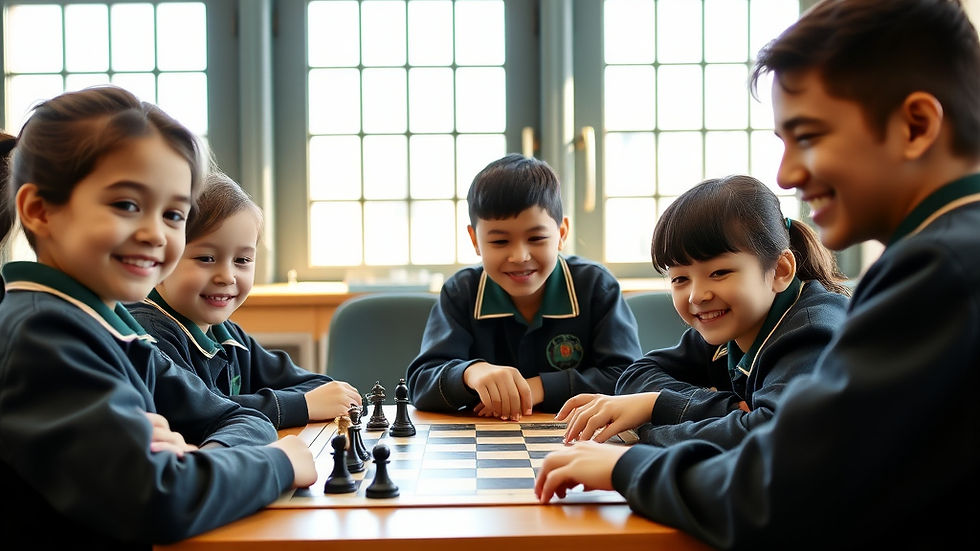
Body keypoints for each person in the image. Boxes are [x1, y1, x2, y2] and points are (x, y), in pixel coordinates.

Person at [535, 0, 980, 548]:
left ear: (916, 125)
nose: (786, 173)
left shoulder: (940, 270)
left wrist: (625, 468)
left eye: (809, 137)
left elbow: (778, 490)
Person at [0, 86, 316, 549]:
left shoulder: (112, 328)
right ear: (39, 210)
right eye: (127, 205)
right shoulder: (42, 335)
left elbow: (237, 417)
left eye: (173, 214)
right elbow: (157, 499)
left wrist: (198, 457)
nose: (154, 233)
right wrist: (280, 464)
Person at [559, 175, 849, 450]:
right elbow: (636, 374)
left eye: (719, 272)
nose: (698, 295)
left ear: (780, 271)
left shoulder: (811, 332)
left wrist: (654, 413)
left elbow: (775, 437)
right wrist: (725, 409)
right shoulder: (736, 327)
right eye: (680, 279)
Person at [407, 153, 642, 420]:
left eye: (537, 238)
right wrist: (470, 373)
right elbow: (420, 383)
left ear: (562, 234)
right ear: (475, 240)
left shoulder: (596, 286)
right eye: (499, 242)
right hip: (486, 446)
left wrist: (537, 388)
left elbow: (628, 379)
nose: (519, 256)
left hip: (579, 446)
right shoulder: (462, 292)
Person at [127, 171, 362, 429]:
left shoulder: (227, 335)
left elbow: (320, 387)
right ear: (162, 256)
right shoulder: (147, 334)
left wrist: (311, 399)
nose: (227, 276)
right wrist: (300, 405)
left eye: (242, 260)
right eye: (206, 258)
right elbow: (199, 413)